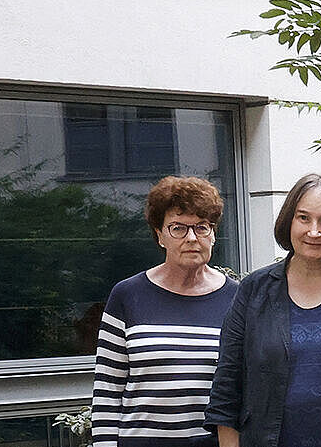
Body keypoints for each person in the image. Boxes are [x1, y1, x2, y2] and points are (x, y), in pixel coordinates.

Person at [207, 174, 321, 447]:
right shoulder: (254, 290)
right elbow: (227, 385)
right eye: (303, 218)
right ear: (289, 222)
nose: (314, 231)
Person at [92, 176, 236, 447]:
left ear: (213, 234)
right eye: (178, 228)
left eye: (202, 227)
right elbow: (106, 392)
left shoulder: (237, 299)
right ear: (159, 235)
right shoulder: (127, 295)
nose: (192, 238)